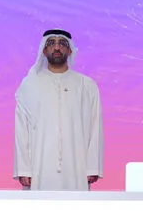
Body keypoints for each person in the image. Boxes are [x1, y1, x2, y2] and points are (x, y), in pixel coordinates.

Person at [13, 29, 103, 190]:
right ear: (44, 50)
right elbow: (21, 129)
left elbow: (95, 127)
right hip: (39, 165)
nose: (56, 47)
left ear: (69, 50)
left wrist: (92, 167)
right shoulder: (30, 85)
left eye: (62, 43)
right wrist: (24, 168)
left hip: (77, 165)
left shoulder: (86, 85)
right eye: (51, 43)